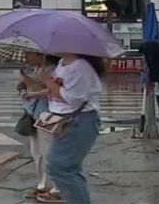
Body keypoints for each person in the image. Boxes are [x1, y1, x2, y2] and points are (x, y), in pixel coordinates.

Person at [27, 54, 104, 204]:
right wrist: (36, 91)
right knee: (65, 168)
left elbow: (72, 98)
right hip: (63, 121)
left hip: (78, 121)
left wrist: (46, 79)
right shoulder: (63, 63)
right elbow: (55, 90)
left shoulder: (81, 66)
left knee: (61, 168)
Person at [17, 52, 63, 202]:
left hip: (48, 115)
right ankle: (41, 185)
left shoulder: (56, 70)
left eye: (29, 55)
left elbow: (54, 91)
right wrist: (23, 86)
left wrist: (31, 85)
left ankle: (57, 187)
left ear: (41, 55)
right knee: (37, 153)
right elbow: (26, 88)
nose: (26, 57)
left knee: (49, 152)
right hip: (34, 114)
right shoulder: (35, 70)